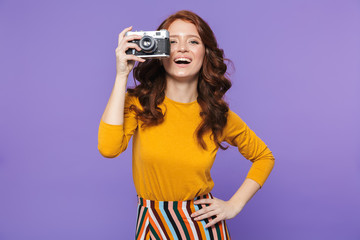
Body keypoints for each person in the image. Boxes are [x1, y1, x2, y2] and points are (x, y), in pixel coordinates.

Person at [98, 10, 275, 240]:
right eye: (172, 41)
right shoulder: (139, 104)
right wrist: (121, 75)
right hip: (151, 223)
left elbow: (264, 157)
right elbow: (108, 148)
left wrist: (234, 205)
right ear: (159, 52)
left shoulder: (217, 115)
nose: (182, 48)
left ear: (205, 53)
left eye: (193, 41)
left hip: (202, 226)